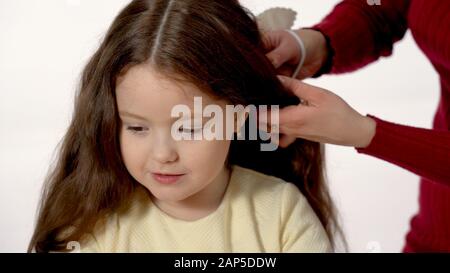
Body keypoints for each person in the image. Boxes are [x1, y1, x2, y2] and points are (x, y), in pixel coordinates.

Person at [27, 0, 339, 253]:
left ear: (239, 117)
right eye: (136, 128)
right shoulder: (92, 224)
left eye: (189, 129)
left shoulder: (281, 212)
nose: (163, 154)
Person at [263, 0, 450, 252]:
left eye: (196, 126)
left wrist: (366, 133)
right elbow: (383, 7)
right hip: (437, 219)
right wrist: (318, 43)